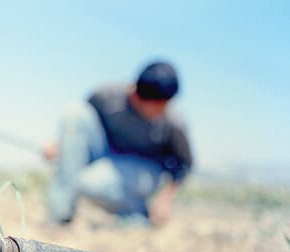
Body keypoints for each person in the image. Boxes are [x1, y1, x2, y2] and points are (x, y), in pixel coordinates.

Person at [43, 61, 193, 226]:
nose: (163, 110)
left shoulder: (173, 120)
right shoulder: (108, 94)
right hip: (107, 154)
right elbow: (84, 123)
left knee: (89, 182)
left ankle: (139, 214)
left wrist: (165, 199)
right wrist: (61, 146)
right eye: (158, 106)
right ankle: (59, 217)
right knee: (75, 112)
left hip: (144, 172)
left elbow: (184, 163)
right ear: (137, 94)